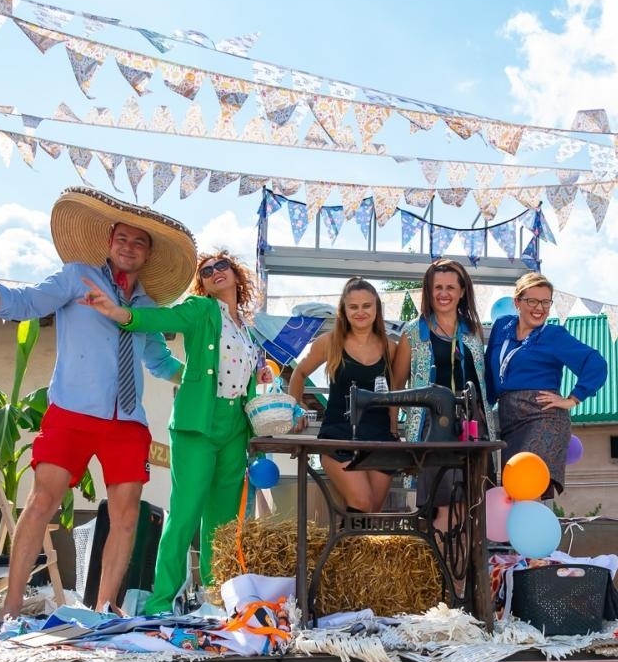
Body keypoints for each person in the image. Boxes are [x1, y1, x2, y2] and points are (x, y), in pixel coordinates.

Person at [0, 186, 195, 618]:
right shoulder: (75, 276)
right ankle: (12, 604)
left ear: (147, 254)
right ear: (109, 242)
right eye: (123, 239)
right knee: (42, 501)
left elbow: (160, 362)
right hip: (72, 412)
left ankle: (101, 608)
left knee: (128, 515)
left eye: (140, 242)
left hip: (127, 421)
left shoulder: (147, 306)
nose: (130, 247)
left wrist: (211, 383)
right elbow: (24, 303)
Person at [82, 248, 268, 614]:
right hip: (197, 424)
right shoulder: (201, 310)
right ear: (203, 284)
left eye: (222, 265)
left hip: (235, 427)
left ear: (236, 274)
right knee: (185, 513)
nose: (216, 271)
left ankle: (217, 597)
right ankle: (160, 601)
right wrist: (119, 313)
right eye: (207, 270)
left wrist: (258, 375)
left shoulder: (247, 330)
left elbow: (243, 373)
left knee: (224, 521)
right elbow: (159, 319)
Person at [484, 272, 607, 498]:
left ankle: (536, 532)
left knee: (527, 486)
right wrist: (482, 406)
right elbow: (489, 371)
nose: (539, 308)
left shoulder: (553, 335)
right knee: (510, 493)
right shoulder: (502, 327)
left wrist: (572, 399)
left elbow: (596, 364)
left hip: (543, 416)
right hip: (508, 420)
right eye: (532, 300)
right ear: (517, 302)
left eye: (545, 302)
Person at [287, 277, 397, 513]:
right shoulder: (330, 342)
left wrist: (394, 429)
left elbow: (395, 393)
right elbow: (299, 373)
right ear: (344, 310)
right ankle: (347, 549)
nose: (360, 312)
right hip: (338, 434)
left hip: (379, 436)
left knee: (373, 511)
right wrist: (296, 409)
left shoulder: (390, 347)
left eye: (366, 306)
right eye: (353, 307)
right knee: (363, 503)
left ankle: (351, 550)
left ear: (376, 308)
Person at [391, 259, 488, 522]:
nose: (443, 294)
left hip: (470, 426)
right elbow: (396, 385)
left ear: (461, 292)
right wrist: (394, 430)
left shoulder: (472, 331)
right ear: (428, 291)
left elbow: (481, 382)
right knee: (439, 500)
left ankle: (463, 560)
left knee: (468, 500)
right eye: (437, 287)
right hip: (431, 425)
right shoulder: (413, 333)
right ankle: (442, 559)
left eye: (450, 287)